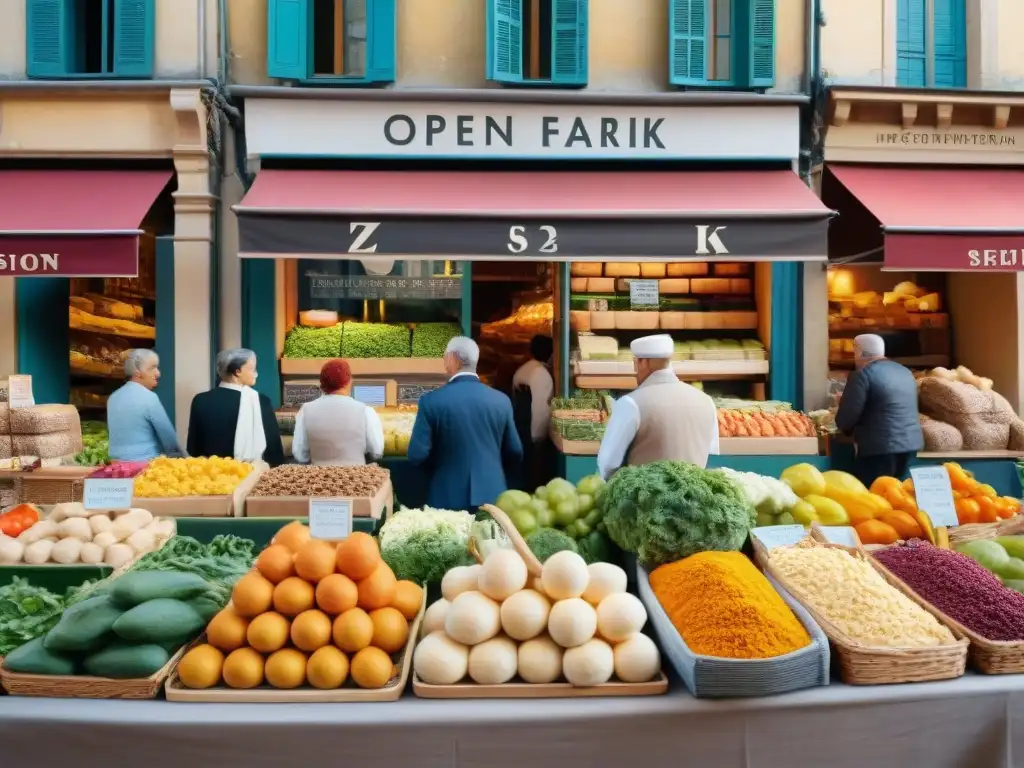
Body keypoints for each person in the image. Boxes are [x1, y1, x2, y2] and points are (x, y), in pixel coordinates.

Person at [407, 336, 523, 511]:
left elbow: (416, 454)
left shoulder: (431, 401)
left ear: (452, 359)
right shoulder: (501, 401)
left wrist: (440, 467)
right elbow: (515, 451)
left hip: (445, 497)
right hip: (493, 496)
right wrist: (491, 466)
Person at [597, 334, 719, 480]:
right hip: (693, 500)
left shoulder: (631, 403)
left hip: (645, 500)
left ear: (643, 362)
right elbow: (710, 453)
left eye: (635, 363)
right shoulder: (706, 401)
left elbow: (608, 464)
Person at [835, 333, 924, 486]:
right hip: (910, 445)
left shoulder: (862, 375)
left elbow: (847, 418)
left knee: (875, 496)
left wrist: (842, 405)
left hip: (879, 448)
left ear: (859, 351)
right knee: (898, 494)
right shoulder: (905, 372)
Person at [186, 348, 285, 466]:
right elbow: (274, 451)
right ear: (237, 371)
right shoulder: (261, 401)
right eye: (253, 369)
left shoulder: (200, 400)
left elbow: (193, 448)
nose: (256, 374)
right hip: (249, 477)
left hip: (211, 476)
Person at [291, 359, 385, 466]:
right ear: (348, 381)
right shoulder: (365, 411)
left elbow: (300, 454)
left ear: (322, 383)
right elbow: (377, 452)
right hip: (357, 479)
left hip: (318, 479)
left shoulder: (305, 410)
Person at [107, 349, 184, 461]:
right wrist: (183, 460)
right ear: (137, 371)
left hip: (117, 467)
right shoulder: (149, 398)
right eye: (152, 368)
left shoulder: (113, 398)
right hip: (145, 467)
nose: (158, 373)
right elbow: (169, 439)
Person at [512, 335, 555, 489]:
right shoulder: (541, 374)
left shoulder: (525, 368)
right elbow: (540, 409)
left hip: (520, 429)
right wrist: (538, 438)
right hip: (529, 434)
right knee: (531, 479)